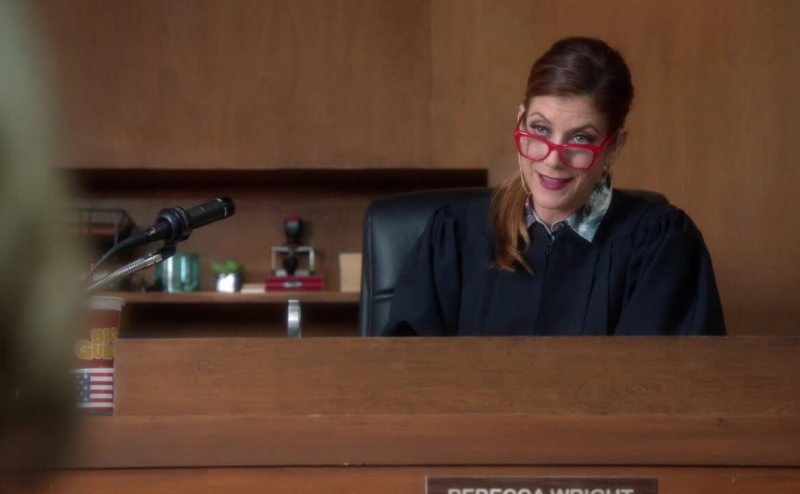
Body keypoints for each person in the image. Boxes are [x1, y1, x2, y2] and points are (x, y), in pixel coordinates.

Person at [383, 37, 725, 336]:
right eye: (540, 129)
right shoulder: (455, 237)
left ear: (614, 146)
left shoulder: (660, 248)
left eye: (581, 138)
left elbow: (666, 382)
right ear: (520, 121)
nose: (552, 159)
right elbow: (409, 373)